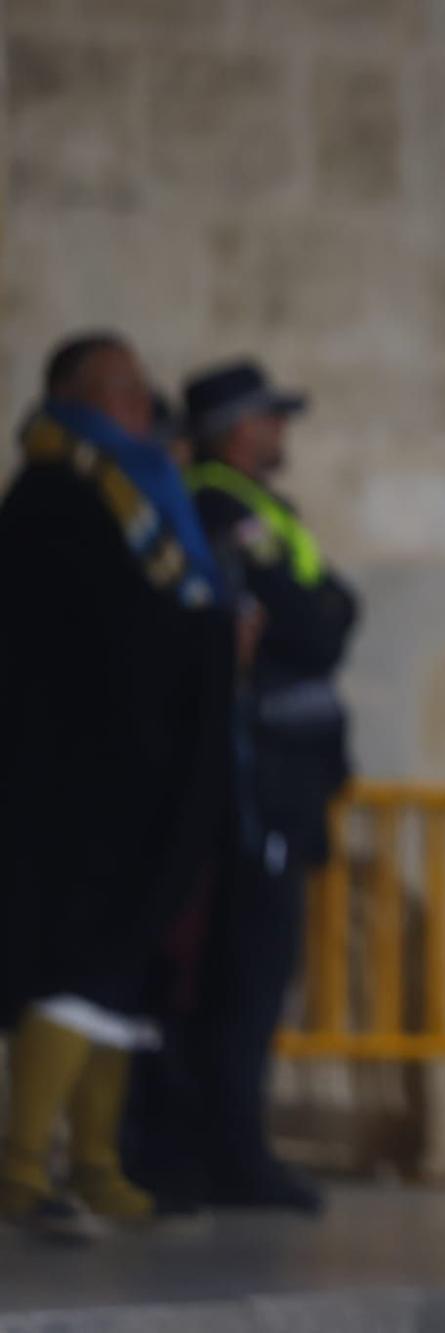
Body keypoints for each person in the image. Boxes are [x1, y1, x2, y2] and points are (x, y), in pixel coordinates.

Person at [0, 332, 237, 1237]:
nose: (146, 406)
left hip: (136, 780)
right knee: (78, 964)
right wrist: (213, 637)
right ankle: (23, 1166)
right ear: (81, 396)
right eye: (128, 391)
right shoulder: (62, 496)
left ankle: (95, 1161)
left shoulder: (127, 490)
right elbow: (106, 637)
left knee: (119, 969)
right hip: (79, 787)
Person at [178, 359, 358, 1212]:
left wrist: (325, 610)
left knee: (255, 967)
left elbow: (330, 609)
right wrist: (323, 612)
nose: (281, 431)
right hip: (262, 779)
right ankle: (230, 1157)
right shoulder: (219, 504)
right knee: (245, 970)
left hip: (284, 775)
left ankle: (226, 1151)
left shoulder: (251, 505)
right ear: (237, 428)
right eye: (269, 417)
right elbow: (316, 623)